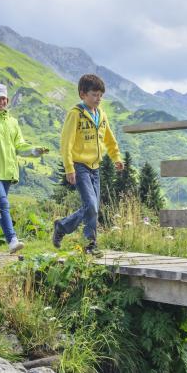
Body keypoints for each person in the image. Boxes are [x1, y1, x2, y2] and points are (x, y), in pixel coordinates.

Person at [52, 74, 124, 253]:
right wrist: (69, 167)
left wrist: (116, 158)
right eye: (94, 94)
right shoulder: (75, 114)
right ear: (82, 94)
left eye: (100, 95)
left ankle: (64, 228)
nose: (98, 98)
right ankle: (88, 244)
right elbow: (66, 142)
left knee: (93, 207)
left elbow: (109, 140)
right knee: (91, 206)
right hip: (79, 166)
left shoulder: (101, 115)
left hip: (95, 167)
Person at [0, 83, 48, 253]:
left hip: (8, 172)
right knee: (3, 203)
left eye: (3, 98)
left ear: (7, 99)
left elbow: (19, 145)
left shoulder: (13, 122)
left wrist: (33, 150)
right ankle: (12, 240)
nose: (1, 102)